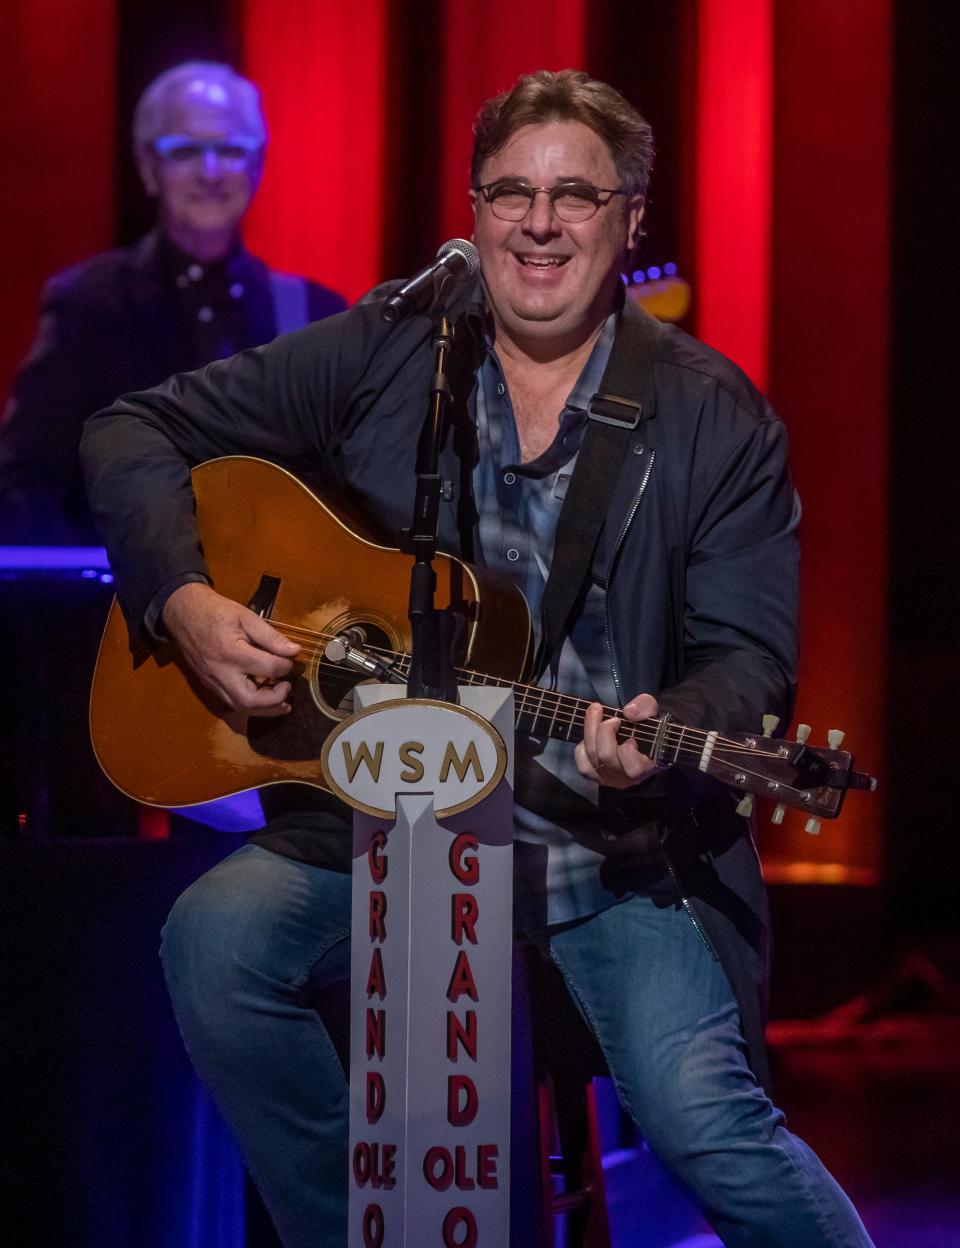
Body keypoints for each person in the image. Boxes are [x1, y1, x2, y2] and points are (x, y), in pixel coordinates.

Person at [80, 70, 874, 1248]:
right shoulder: (397, 347)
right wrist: (185, 600)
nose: (540, 223)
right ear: (473, 209)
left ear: (629, 217)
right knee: (214, 942)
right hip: (385, 833)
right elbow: (129, 428)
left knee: (703, 1118)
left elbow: (748, 658)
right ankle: (357, 1232)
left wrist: (664, 727)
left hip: (612, 858)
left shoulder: (717, 418)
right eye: (512, 191)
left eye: (575, 195)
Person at [0, 61, 345, 543]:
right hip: (121, 609)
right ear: (147, 167)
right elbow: (25, 484)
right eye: (185, 151)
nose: (210, 171)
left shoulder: (315, 314)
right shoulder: (87, 306)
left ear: (258, 165)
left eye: (229, 149)